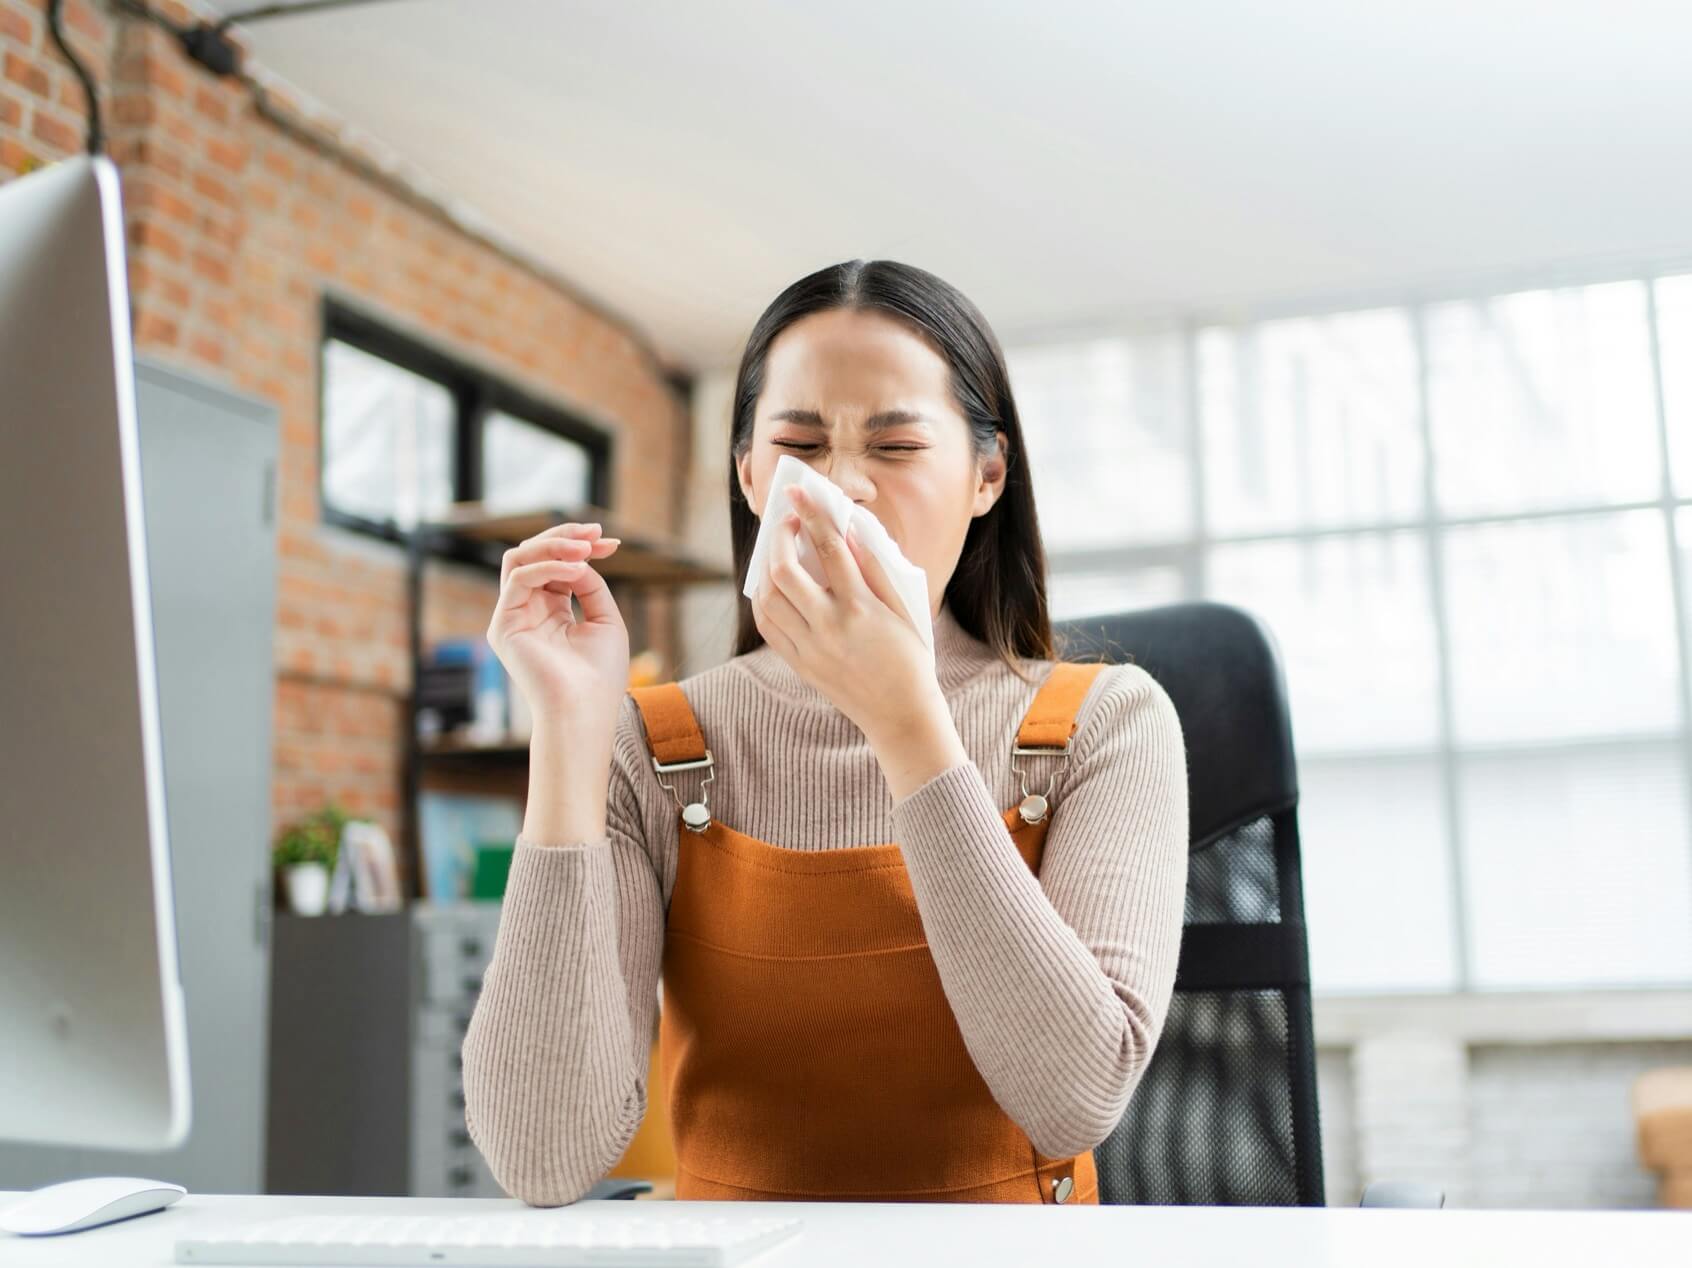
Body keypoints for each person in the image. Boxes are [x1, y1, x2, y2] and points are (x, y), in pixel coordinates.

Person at [461, 259, 1190, 1206]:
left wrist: (906, 719)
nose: (843, 491)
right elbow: (542, 1159)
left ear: (987, 475)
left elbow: (1075, 1099)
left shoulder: (1108, 723)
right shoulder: (657, 743)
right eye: (800, 445)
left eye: (895, 448)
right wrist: (568, 732)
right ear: (751, 477)